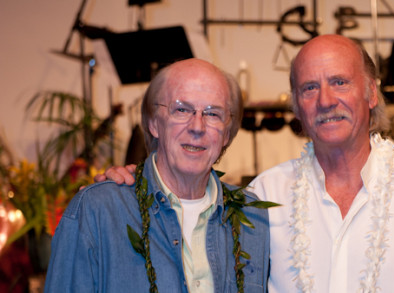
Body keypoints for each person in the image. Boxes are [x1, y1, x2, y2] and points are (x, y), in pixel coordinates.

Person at [98, 35, 394, 292]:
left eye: (340, 82)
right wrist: (136, 182)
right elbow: (190, 221)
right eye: (309, 88)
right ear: (296, 104)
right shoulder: (262, 197)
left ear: (370, 91)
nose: (325, 100)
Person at [44, 59, 271, 293]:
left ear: (226, 133)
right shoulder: (98, 212)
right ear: (154, 123)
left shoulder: (254, 218)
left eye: (213, 114)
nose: (197, 127)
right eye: (181, 109)